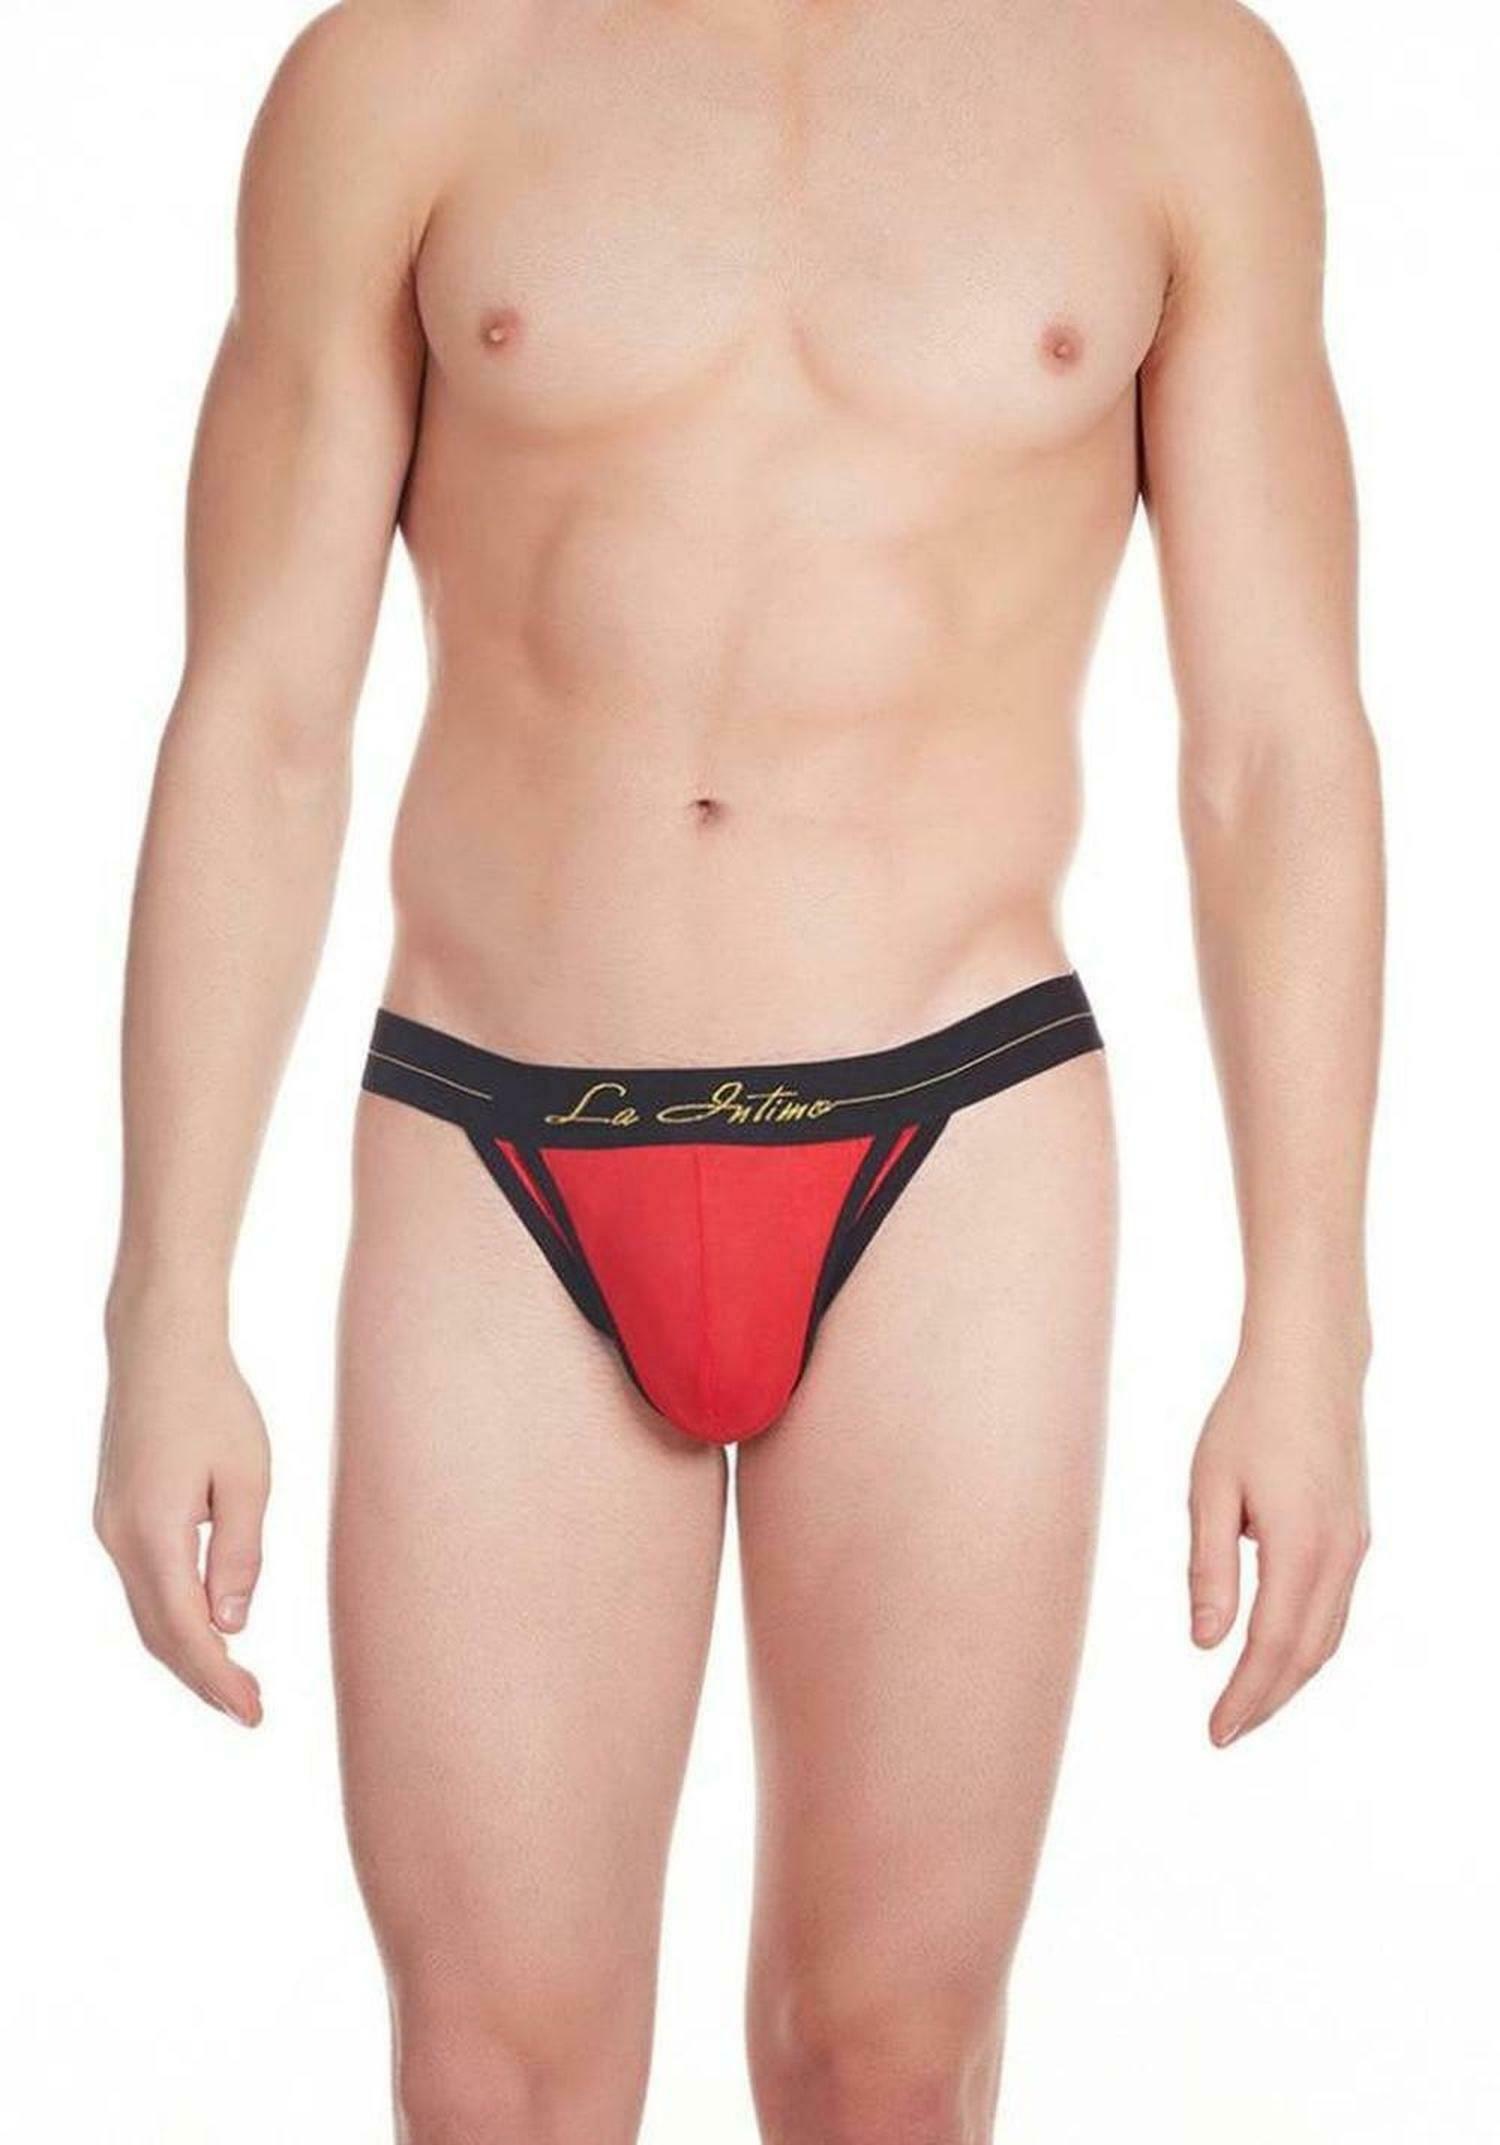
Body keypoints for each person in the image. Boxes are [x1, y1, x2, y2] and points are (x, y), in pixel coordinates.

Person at [94, 1, 1382, 2138]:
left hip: (957, 1131)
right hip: (498, 1128)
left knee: (885, 2060)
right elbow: (259, 717)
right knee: (495, 2077)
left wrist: (1312, 1325)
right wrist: (166, 1309)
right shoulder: (407, 69)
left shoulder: (1174, 82)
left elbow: (1276, 748)